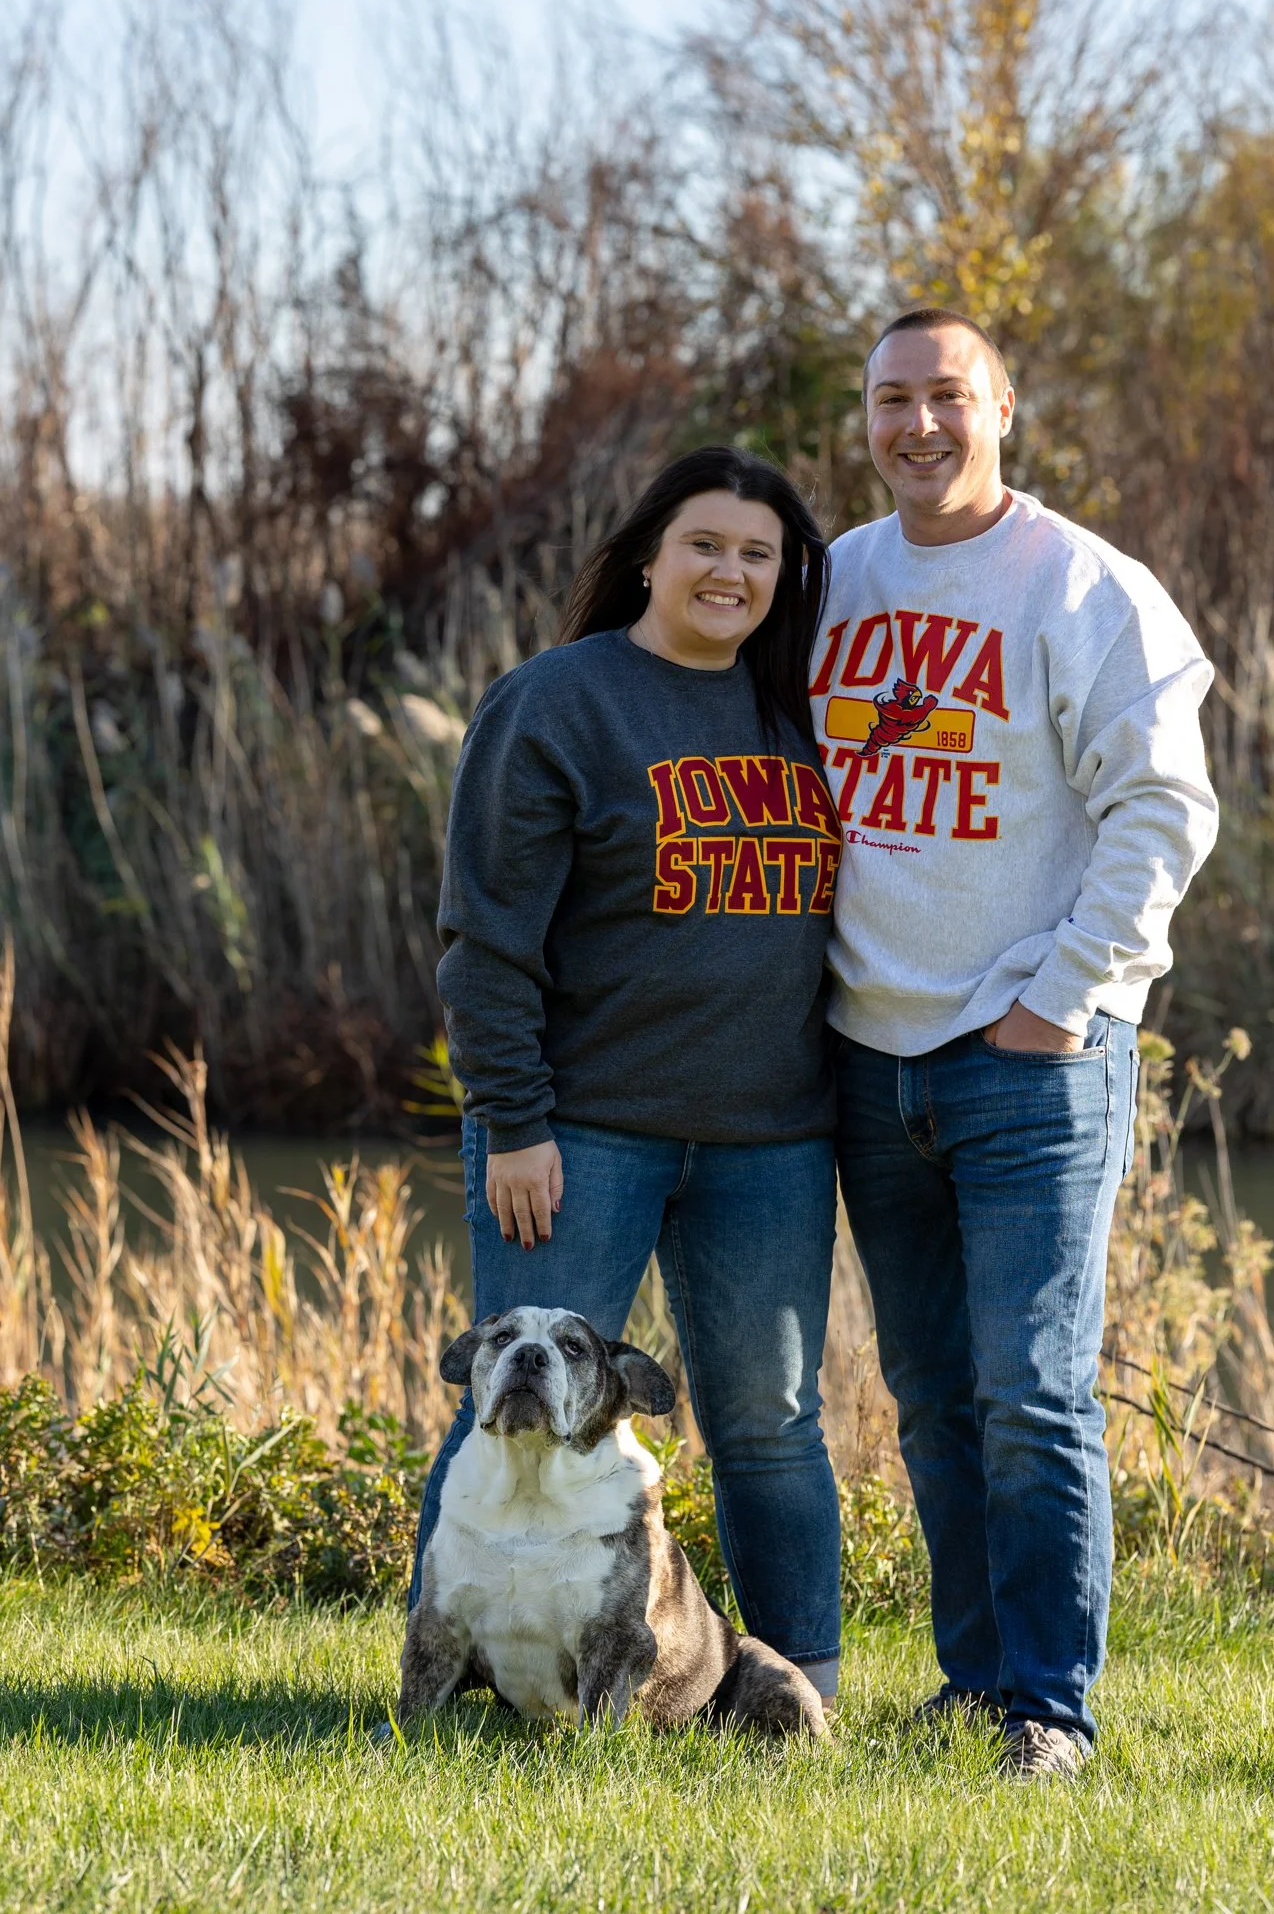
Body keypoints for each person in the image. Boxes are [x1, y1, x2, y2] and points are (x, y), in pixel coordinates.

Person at [816, 308, 1218, 1777]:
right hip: (867, 1053)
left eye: (946, 397)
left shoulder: (1083, 585)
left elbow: (1163, 812)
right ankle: (973, 1679)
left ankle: (1049, 1708)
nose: (918, 426)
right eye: (889, 401)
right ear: (863, 419)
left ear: (1002, 410)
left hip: (1031, 1058)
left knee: (1033, 1393)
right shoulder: (835, 579)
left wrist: (1063, 993)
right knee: (928, 1395)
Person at [408, 446, 845, 1704]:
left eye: (758, 553)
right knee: (507, 1402)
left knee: (770, 1425)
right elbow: (485, 938)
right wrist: (513, 1119)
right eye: (704, 543)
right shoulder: (557, 702)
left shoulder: (799, 709)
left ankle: (787, 1687)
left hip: (769, 1139)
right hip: (581, 1135)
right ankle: (456, 1675)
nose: (729, 570)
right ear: (649, 552)